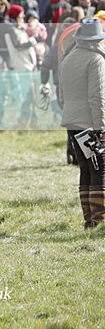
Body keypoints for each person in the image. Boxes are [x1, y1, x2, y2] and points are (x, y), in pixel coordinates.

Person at [58, 18, 105, 228]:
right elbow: (98, 97)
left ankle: (89, 219)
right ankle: (99, 219)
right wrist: (100, 127)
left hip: (72, 122)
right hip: (90, 121)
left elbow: (61, 97)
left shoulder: (67, 59)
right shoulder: (96, 60)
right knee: (100, 168)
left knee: (86, 168)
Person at [3, 5, 38, 71]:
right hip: (21, 66)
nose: (23, 16)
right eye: (21, 14)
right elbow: (18, 47)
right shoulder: (12, 30)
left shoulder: (20, 29)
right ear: (16, 16)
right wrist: (31, 42)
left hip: (27, 64)